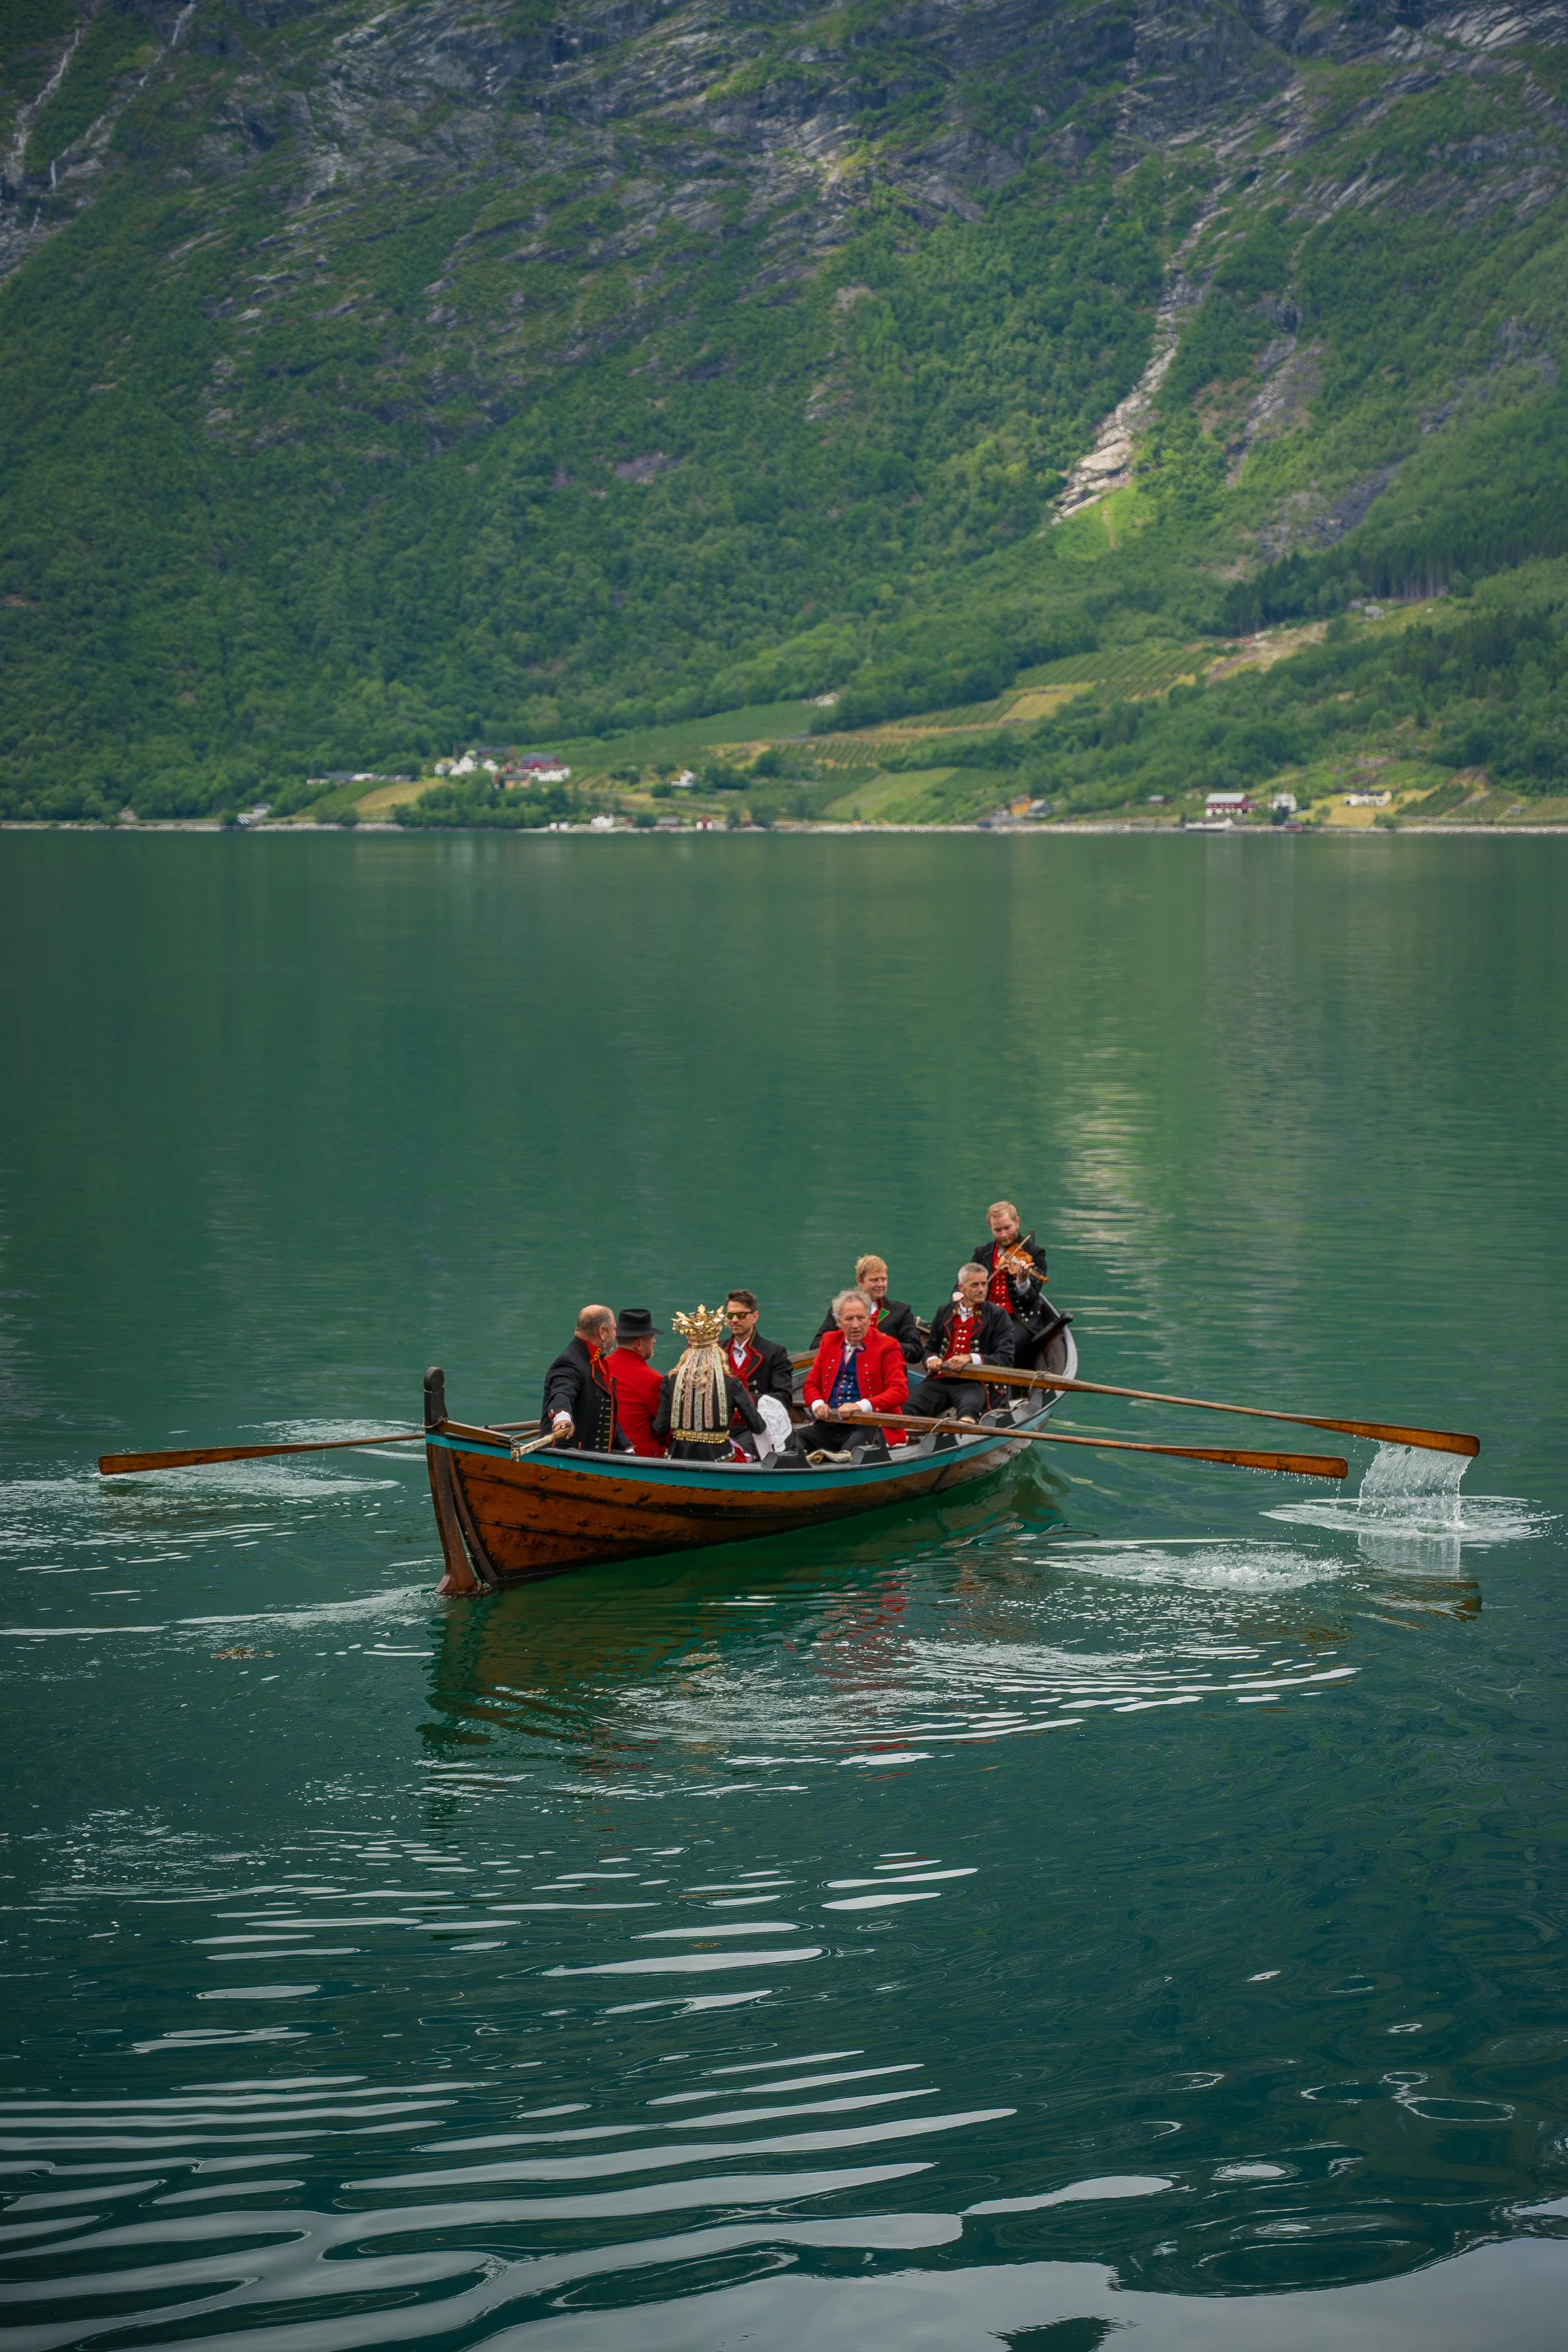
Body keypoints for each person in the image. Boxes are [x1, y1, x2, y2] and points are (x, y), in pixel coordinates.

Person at [903, 1261, 1016, 1423]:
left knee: (969, 1412)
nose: (982, 1289)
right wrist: (932, 1359)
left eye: (984, 1284)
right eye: (975, 1285)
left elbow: (1005, 1359)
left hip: (977, 1383)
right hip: (941, 1380)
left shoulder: (998, 1315)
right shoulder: (944, 1311)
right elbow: (930, 1348)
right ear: (961, 1287)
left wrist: (970, 1358)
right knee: (906, 1406)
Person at [652, 1304, 765, 1463]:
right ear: (717, 1352)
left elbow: (660, 1429)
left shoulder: (671, 1381)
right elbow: (757, 1426)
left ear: (688, 1352)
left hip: (677, 1456)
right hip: (721, 1458)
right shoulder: (732, 1383)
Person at [802, 1286, 909, 1450]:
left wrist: (861, 1406)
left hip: (872, 1424)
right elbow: (811, 1384)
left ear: (869, 1318)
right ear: (839, 1322)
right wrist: (817, 1404)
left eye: (861, 1318)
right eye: (849, 1319)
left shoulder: (888, 1346)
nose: (855, 1325)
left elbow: (899, 1391)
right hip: (831, 1423)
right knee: (797, 1440)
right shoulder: (828, 1341)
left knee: (854, 1450)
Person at [971, 1200, 1052, 1366]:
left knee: (1006, 1345)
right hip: (984, 1314)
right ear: (991, 1228)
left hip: (1018, 1318)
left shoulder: (1035, 1254)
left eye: (1007, 1228)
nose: (1003, 1235)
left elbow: (1031, 1299)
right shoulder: (982, 1252)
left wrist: (1022, 1282)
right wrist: (958, 1294)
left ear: (1017, 1222)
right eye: (997, 1230)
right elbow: (967, 1280)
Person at [541, 1304, 623, 1451]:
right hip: (566, 1454)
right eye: (614, 1329)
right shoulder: (569, 1362)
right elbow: (562, 1393)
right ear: (602, 1332)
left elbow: (604, 1414)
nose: (615, 1335)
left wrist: (627, 1446)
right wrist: (562, 1417)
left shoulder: (595, 1360)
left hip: (594, 1453)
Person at [813, 1255, 923, 1364]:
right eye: (874, 1280)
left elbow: (916, 1351)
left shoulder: (902, 1312)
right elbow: (816, 1346)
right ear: (860, 1281)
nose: (880, 1284)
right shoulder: (841, 1310)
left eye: (884, 1279)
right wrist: (848, 1342)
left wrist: (887, 1344)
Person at [605, 1306, 666, 1459]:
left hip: (603, 1450)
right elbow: (664, 1428)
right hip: (641, 1457)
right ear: (639, 1343)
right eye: (651, 1338)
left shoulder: (598, 1367)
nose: (654, 1342)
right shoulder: (653, 1379)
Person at [721, 1290, 795, 1406]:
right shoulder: (717, 1350)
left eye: (741, 1315)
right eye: (730, 1315)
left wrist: (746, 1401)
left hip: (757, 1416)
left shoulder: (775, 1353)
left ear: (755, 1317)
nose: (734, 1320)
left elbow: (784, 1397)